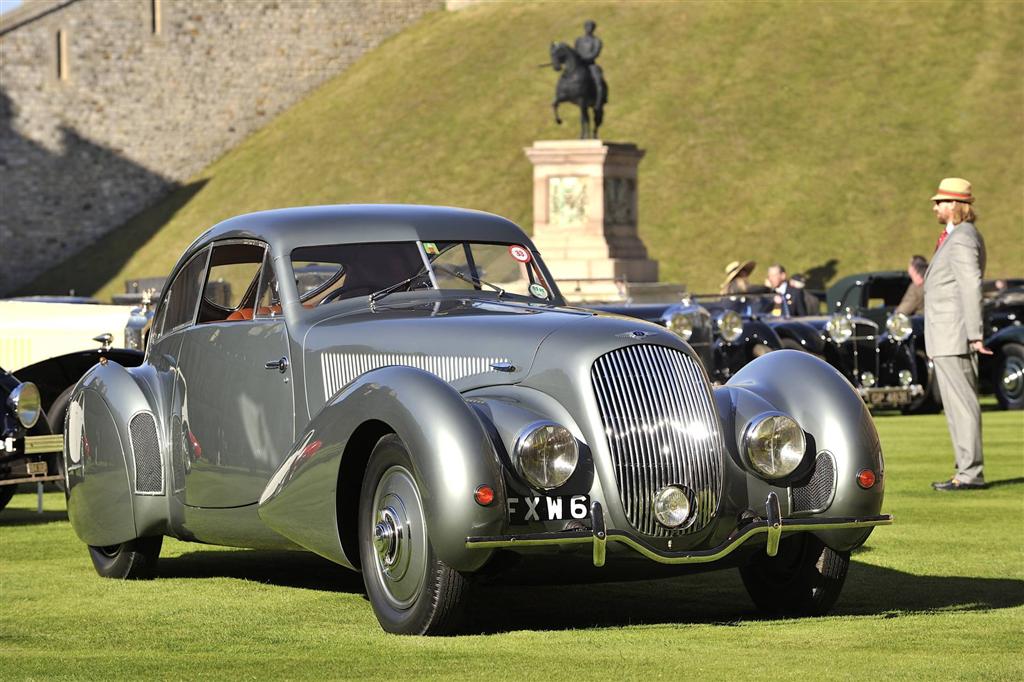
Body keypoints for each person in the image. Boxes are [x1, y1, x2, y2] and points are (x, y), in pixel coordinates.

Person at [924, 178, 991, 491]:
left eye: (940, 201)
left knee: (962, 406)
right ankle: (964, 470)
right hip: (946, 335)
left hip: (955, 335)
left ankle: (970, 474)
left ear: (954, 204)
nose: (935, 206)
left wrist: (975, 333)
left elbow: (970, 284)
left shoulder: (963, 237)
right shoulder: (955, 236)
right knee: (955, 407)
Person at [574, 20, 605, 106]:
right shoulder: (578, 40)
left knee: (598, 82)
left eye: (591, 27)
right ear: (584, 28)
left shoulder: (597, 41)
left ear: (593, 29)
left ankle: (598, 103)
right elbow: (575, 52)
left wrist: (585, 58)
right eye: (587, 26)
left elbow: (595, 53)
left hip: (591, 65)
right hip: (580, 65)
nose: (589, 29)